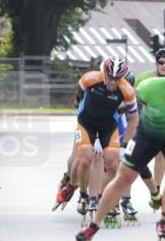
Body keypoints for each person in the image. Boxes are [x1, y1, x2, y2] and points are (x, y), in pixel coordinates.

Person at [68, 56, 165, 241]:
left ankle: (164, 220)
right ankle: (93, 226)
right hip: (147, 135)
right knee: (122, 178)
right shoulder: (148, 88)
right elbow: (131, 113)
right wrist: (125, 141)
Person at [55, 57, 137, 218]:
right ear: (104, 73)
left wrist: (123, 146)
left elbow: (132, 119)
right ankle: (73, 184)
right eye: (111, 78)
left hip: (108, 124)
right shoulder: (90, 79)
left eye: (118, 79)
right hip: (86, 122)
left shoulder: (126, 92)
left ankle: (101, 197)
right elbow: (77, 100)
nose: (113, 82)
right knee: (83, 158)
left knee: (113, 163)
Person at [136, 45, 165, 193]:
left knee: (161, 155)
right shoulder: (143, 78)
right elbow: (133, 99)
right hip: (143, 122)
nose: (164, 66)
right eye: (161, 62)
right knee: (137, 159)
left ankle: (157, 190)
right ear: (156, 62)